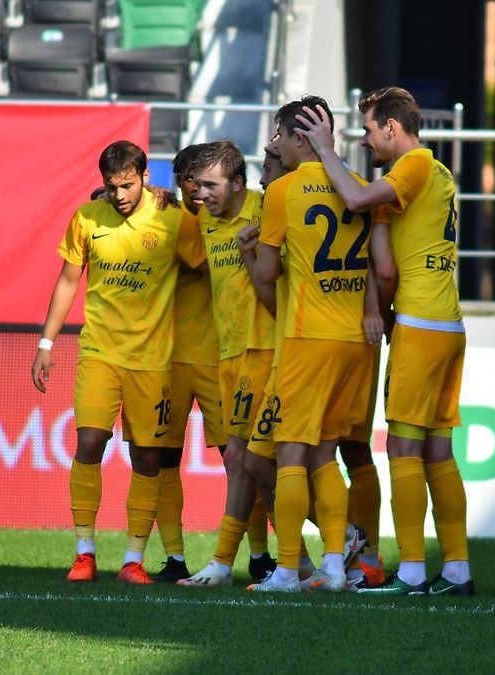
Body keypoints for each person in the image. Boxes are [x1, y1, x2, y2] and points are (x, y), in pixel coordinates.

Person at [293, 86, 473, 596]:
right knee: (438, 449)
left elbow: (356, 205)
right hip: (447, 323)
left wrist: (326, 149)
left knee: (402, 447)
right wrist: (380, 302)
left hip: (419, 324)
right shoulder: (433, 174)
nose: (366, 141)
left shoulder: (413, 166)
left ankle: (412, 570)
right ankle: (456, 569)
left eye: (369, 130)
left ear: (392, 126)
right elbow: (387, 256)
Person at [31, 140, 200, 585]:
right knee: (89, 442)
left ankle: (133, 559)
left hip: (154, 360)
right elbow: (68, 281)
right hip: (99, 352)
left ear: (146, 177)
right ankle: (84, 552)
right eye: (111, 187)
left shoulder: (172, 218)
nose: (120, 195)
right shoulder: (87, 218)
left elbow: (206, 264)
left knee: (146, 456)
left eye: (127, 185)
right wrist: (46, 344)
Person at [247, 95, 378, 593]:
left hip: (306, 336)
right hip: (355, 341)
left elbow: (265, 274)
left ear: (299, 137)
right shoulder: (363, 188)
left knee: (290, 456)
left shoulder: (283, 191)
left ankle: (285, 571)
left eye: (280, 136)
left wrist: (252, 250)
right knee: (325, 454)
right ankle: (336, 566)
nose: (275, 145)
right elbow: (376, 265)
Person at [175, 140, 279, 588]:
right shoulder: (205, 220)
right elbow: (175, 203)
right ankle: (232, 564)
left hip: (268, 352)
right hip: (230, 356)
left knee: (265, 462)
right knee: (243, 462)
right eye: (197, 187)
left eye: (211, 186)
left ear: (238, 183)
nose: (202, 195)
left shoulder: (266, 209)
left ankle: (336, 546)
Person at [147, 145, 227, 583]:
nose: (195, 188)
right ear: (179, 180)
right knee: (163, 460)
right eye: (187, 179)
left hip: (219, 359)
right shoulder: (165, 219)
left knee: (242, 462)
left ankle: (255, 556)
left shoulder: (230, 219)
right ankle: (174, 557)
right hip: (168, 362)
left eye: (202, 179)